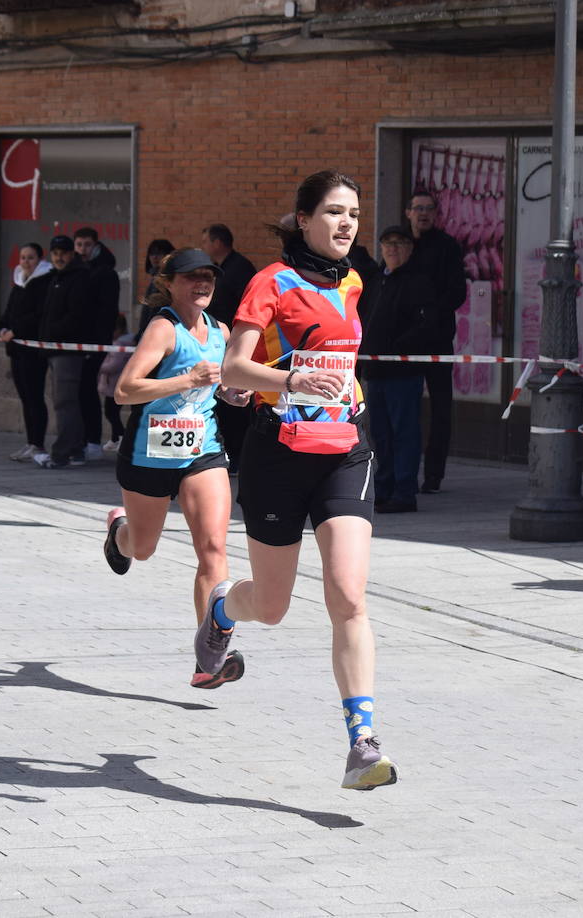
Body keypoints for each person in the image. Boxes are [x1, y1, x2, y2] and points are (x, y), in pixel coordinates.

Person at [192, 169, 397, 791]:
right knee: (273, 607)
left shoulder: (357, 280)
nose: (346, 225)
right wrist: (291, 383)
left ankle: (361, 742)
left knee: (348, 594)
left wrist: (337, 388)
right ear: (302, 219)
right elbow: (234, 366)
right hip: (277, 455)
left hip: (345, 450)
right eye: (334, 212)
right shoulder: (269, 282)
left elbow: (338, 358)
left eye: (354, 215)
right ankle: (224, 609)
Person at [103, 248, 253, 684]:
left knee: (213, 550)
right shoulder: (163, 328)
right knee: (143, 547)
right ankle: (119, 532)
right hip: (149, 453)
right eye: (192, 277)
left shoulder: (220, 330)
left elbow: (217, 386)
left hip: (201, 450)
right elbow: (125, 390)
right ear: (169, 283)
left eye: (208, 276)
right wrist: (188, 379)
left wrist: (230, 394)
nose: (202, 284)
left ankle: (210, 660)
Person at [359, 224, 439, 514]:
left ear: (409, 248)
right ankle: (384, 486)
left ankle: (404, 491)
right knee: (380, 433)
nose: (392, 248)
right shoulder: (377, 280)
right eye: (387, 243)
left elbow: (427, 325)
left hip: (403, 372)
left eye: (399, 243)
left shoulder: (419, 281)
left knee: (404, 433)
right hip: (376, 371)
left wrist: (398, 349)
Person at [403, 190, 465, 495]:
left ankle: (433, 476)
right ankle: (403, 472)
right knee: (404, 409)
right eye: (418, 208)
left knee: (440, 409)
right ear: (408, 213)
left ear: (436, 214)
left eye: (428, 209)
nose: (423, 213)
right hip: (403, 342)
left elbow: (457, 293)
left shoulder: (448, 246)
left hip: (438, 339)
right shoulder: (398, 243)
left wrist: (430, 313)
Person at [34, 235, 97, 469]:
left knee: (64, 402)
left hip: (67, 349)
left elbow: (76, 316)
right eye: (55, 252)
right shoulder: (55, 278)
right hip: (54, 348)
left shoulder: (79, 278)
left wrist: (54, 335)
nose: (59, 256)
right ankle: (76, 450)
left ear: (72, 254)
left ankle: (61, 453)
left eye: (63, 252)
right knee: (68, 401)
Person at [201, 223, 257, 473]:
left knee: (237, 404)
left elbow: (245, 308)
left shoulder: (239, 269)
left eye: (206, 241)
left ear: (217, 242)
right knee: (224, 402)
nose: (204, 247)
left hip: (235, 342)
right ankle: (231, 451)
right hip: (218, 340)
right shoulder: (222, 268)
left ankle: (241, 454)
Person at [0, 243, 53, 461]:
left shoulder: (45, 281)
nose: (25, 262)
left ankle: (38, 444)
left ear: (39, 259)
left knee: (35, 397)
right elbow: (9, 312)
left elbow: (39, 315)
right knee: (25, 398)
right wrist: (1, 328)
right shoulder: (19, 282)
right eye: (22, 258)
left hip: (33, 350)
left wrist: (16, 330)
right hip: (16, 349)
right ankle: (30, 443)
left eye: (30, 258)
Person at [73, 225, 121, 461]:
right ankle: (82, 440)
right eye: (79, 244)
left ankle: (93, 440)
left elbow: (105, 312)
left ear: (96, 245)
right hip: (77, 342)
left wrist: (98, 344)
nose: (82, 249)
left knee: (90, 392)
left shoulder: (104, 272)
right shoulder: (76, 270)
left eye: (87, 245)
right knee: (79, 393)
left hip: (94, 344)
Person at [97, 313, 134, 454]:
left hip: (115, 384)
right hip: (115, 384)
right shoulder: (125, 343)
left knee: (111, 412)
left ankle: (121, 436)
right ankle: (115, 438)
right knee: (112, 412)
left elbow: (114, 365)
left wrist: (100, 366)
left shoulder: (120, 344)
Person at [137, 238, 176, 337]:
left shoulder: (169, 279)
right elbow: (148, 308)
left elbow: (157, 307)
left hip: (163, 328)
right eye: (152, 253)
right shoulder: (154, 277)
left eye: (159, 253)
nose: (155, 257)